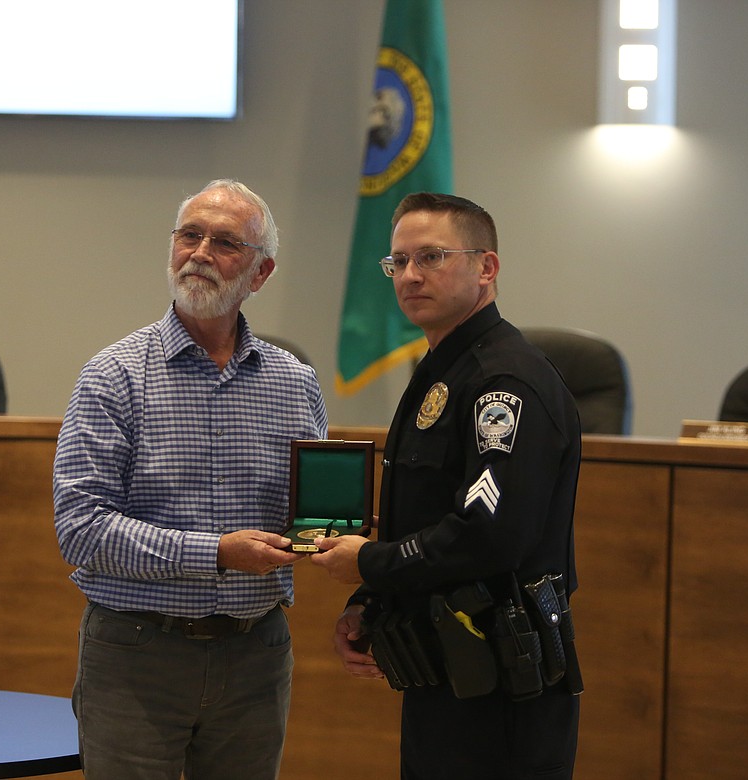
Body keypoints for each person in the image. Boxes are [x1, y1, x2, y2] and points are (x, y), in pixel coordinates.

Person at [53, 179, 328, 780]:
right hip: (136, 653)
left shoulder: (295, 383)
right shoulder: (113, 375)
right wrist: (218, 554)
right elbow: (80, 531)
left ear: (260, 273)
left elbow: (313, 514)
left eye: (226, 242)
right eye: (189, 235)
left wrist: (337, 533)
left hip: (257, 652)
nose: (201, 252)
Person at [311, 192, 582, 779]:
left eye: (431, 257)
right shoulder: (442, 371)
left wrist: (373, 564)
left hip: (506, 684)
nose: (410, 275)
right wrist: (372, 602)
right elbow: (426, 515)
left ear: (487, 267)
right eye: (398, 262)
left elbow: (491, 535)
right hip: (445, 670)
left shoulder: (502, 382)